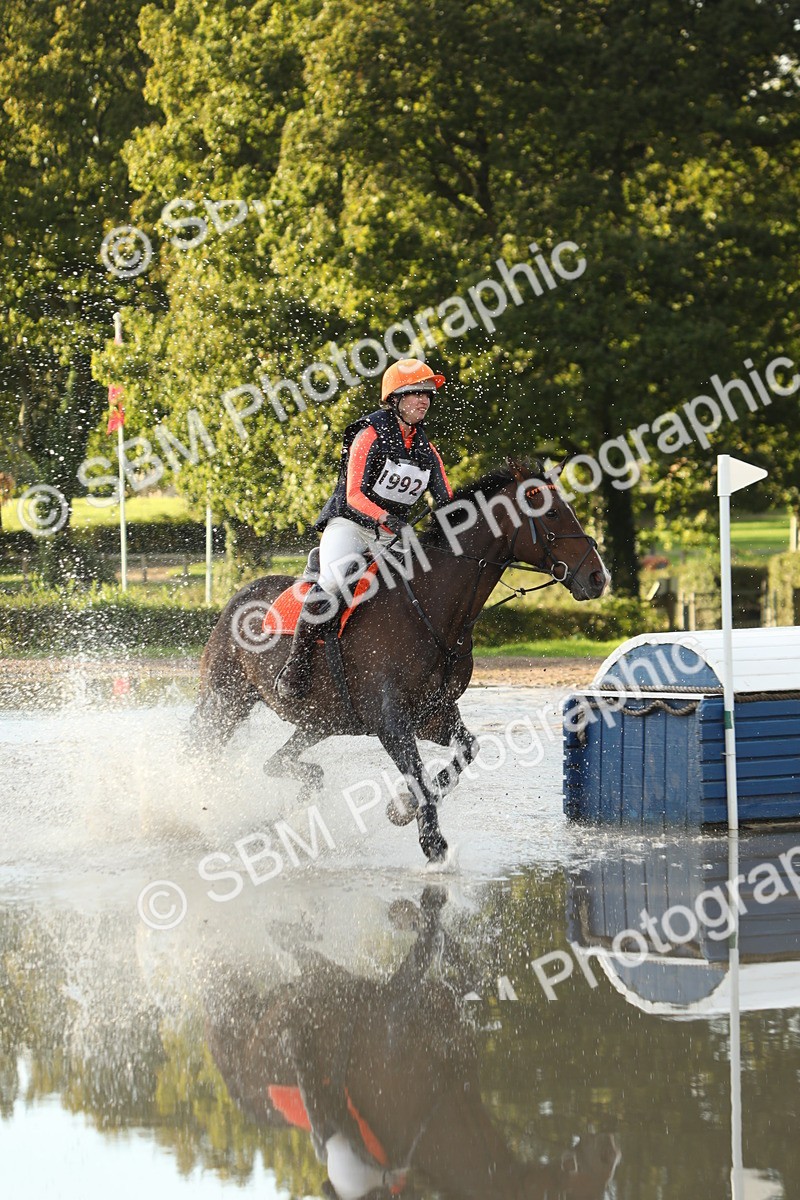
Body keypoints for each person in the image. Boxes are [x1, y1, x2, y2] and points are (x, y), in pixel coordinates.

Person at [275, 358, 453, 699]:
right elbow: (355, 494)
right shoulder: (368, 434)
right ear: (395, 400)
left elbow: (446, 499)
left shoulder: (426, 449)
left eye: (428, 396)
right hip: (351, 525)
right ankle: (296, 667)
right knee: (335, 582)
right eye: (416, 394)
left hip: (392, 534)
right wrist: (387, 520)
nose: (424, 402)